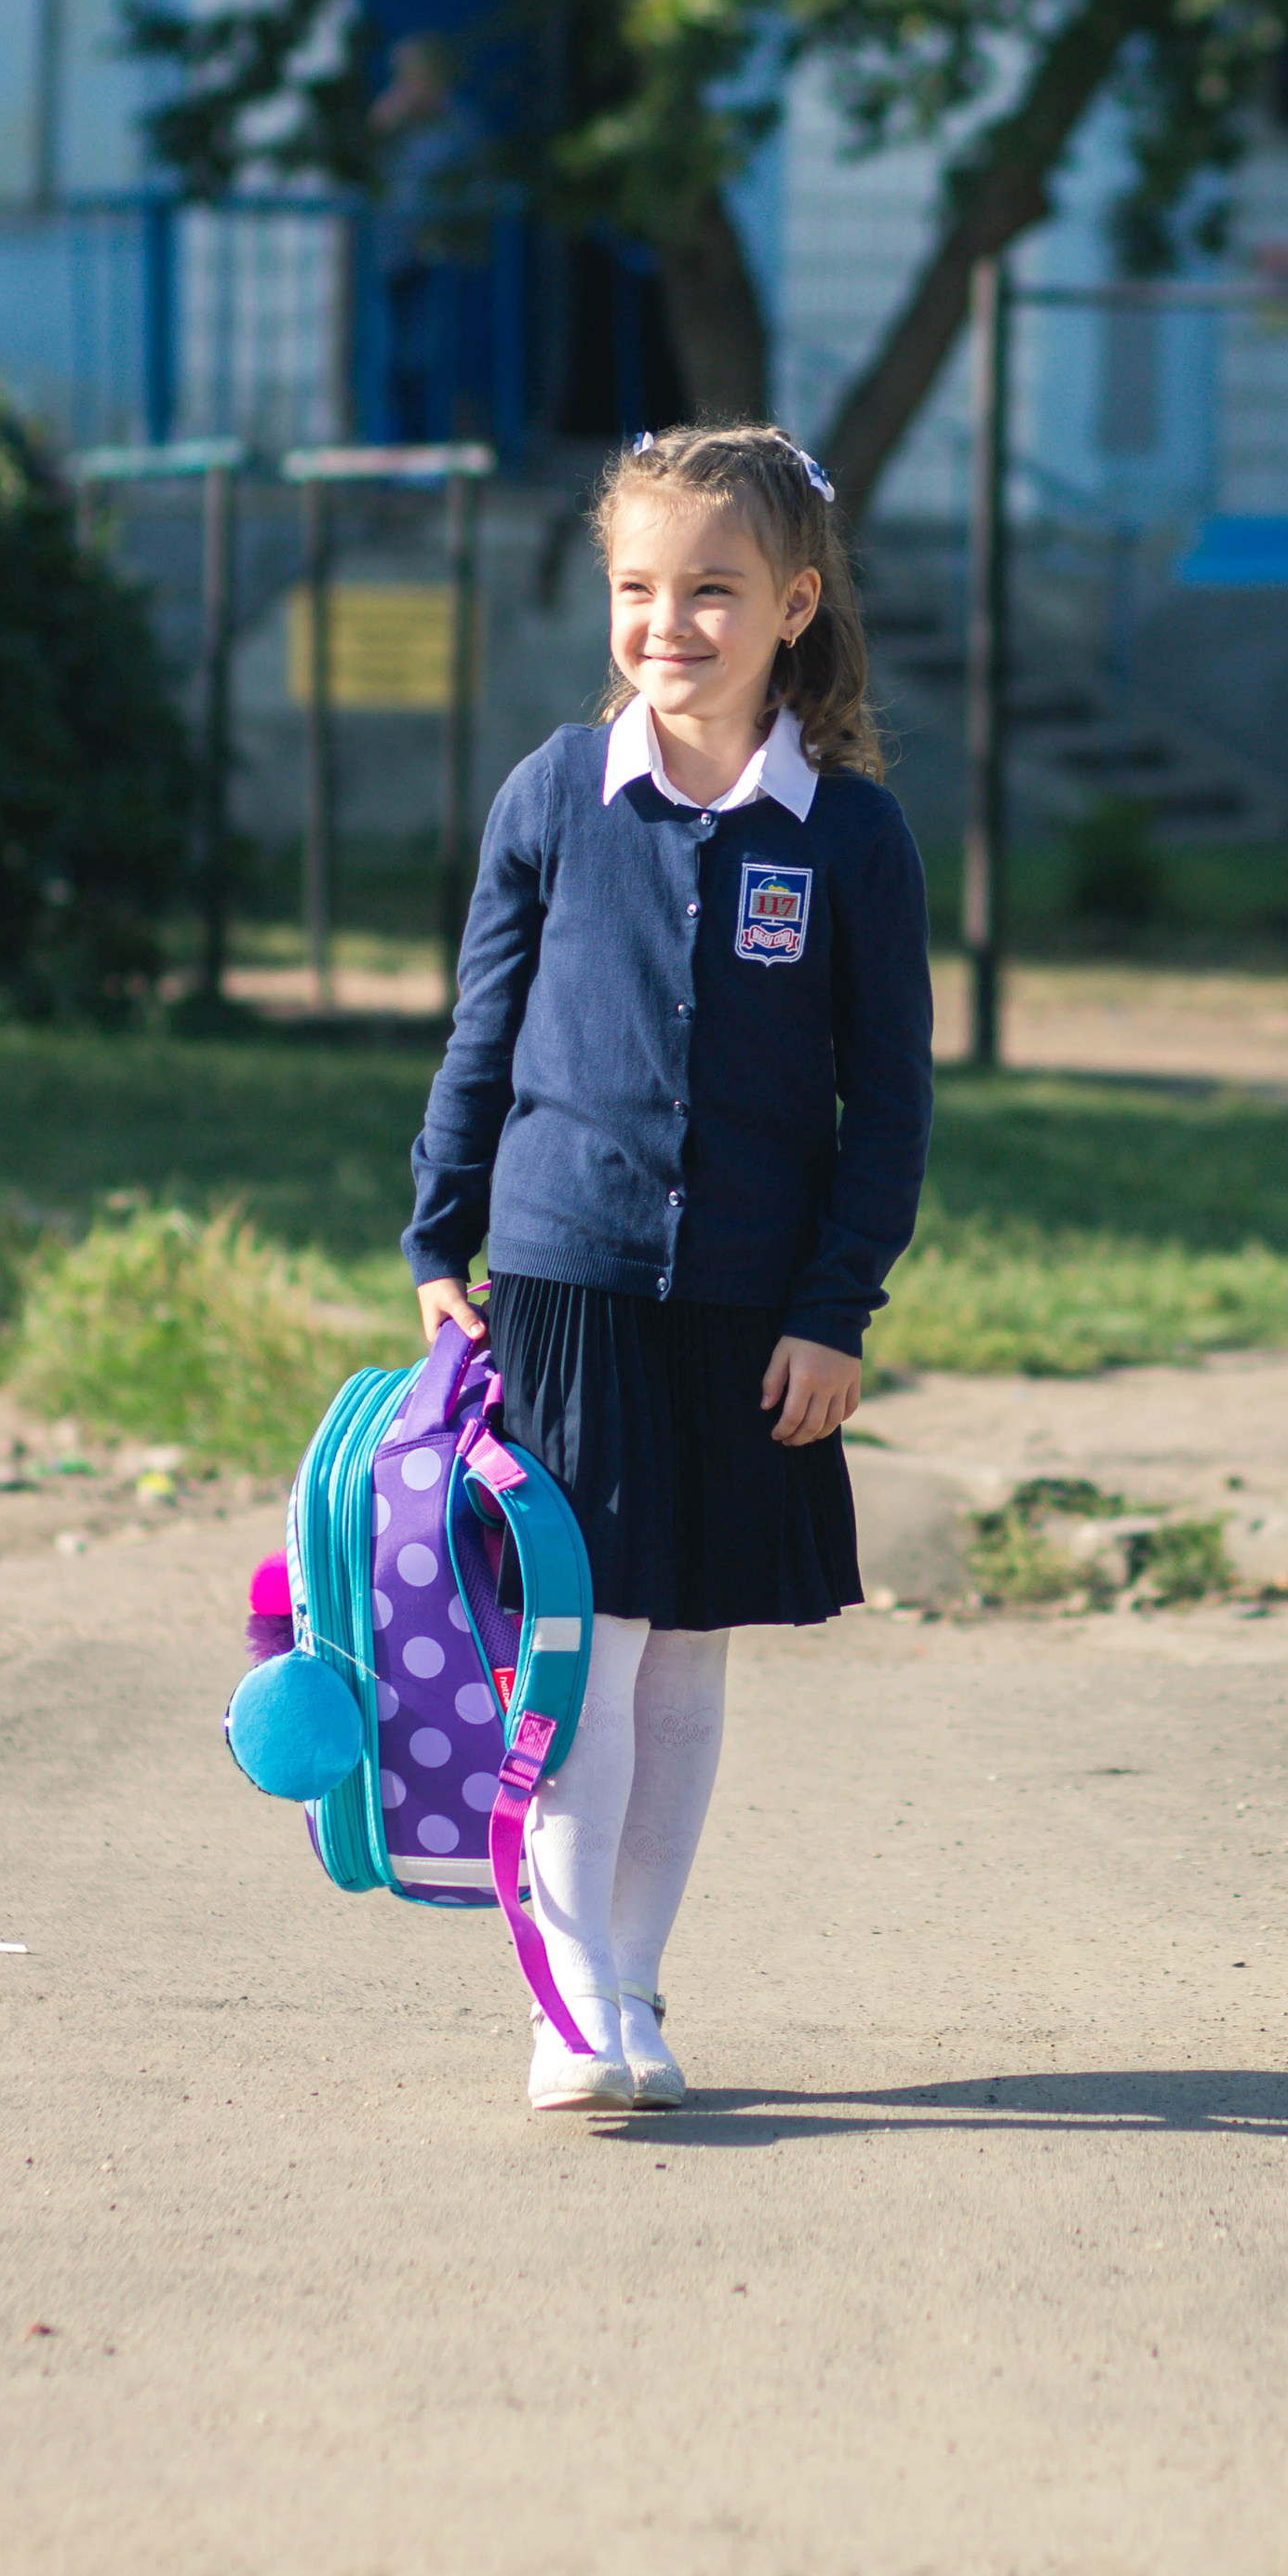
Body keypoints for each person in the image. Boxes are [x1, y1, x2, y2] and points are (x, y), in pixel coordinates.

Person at [405, 423, 934, 2113]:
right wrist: (440, 1232)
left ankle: (630, 1983)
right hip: (566, 1290)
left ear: (793, 605)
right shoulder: (558, 791)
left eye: (712, 591)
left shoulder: (850, 839)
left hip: (751, 1321)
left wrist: (832, 1310)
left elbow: (890, 1102)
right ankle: (567, 2010)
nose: (668, 624)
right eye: (639, 587)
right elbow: (484, 1028)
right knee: (592, 1637)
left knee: (688, 1647)